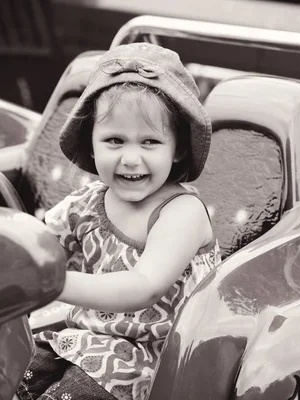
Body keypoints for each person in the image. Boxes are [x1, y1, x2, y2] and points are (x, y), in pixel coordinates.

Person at [15, 42, 221, 400]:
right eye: (114, 140)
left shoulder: (181, 213)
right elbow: (40, 244)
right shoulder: (89, 202)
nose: (130, 158)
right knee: (7, 369)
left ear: (178, 149)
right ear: (91, 144)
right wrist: (9, 266)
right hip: (79, 339)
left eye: (150, 142)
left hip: (150, 363)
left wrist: (51, 282)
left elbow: (145, 285)